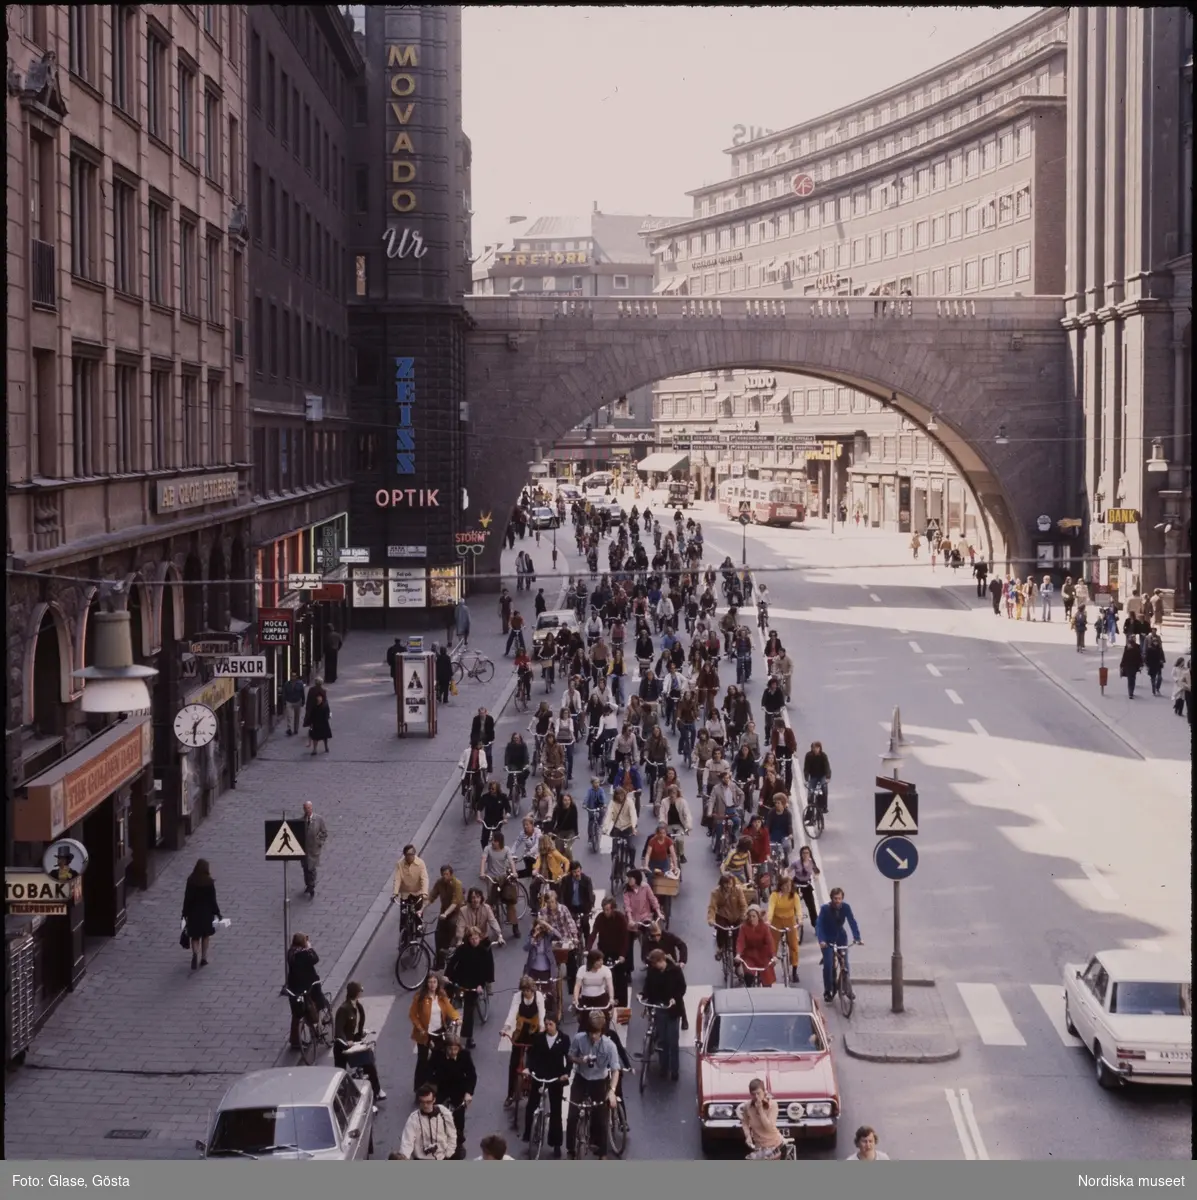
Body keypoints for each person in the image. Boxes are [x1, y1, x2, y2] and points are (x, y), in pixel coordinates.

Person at [566, 1011, 622, 1159]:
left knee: (602, 1119)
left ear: (602, 1032)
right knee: (572, 1115)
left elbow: (616, 1070)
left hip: (599, 1081)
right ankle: (570, 1149)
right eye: (590, 1033)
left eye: (596, 1033)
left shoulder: (610, 1046)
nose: (593, 1036)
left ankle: (603, 1152)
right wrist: (580, 1060)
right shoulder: (579, 1039)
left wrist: (612, 1091)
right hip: (581, 1078)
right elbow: (570, 1056)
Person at [524, 1012, 571, 1157]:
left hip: (556, 1077)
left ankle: (556, 1143)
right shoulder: (538, 1038)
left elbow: (568, 1058)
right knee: (532, 1105)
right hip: (539, 1074)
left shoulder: (564, 1039)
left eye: (551, 1024)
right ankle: (528, 1135)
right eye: (546, 1024)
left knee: (556, 1111)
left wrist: (566, 1073)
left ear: (556, 1025)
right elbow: (531, 1055)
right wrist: (528, 1068)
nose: (548, 1027)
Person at [333, 980, 386, 1098]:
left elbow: (357, 1025)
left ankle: (376, 1091)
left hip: (355, 1042)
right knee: (340, 1074)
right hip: (343, 1046)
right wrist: (346, 1041)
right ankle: (341, 1096)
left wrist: (362, 1033)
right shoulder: (344, 1009)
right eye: (359, 992)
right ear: (356, 993)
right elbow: (339, 1029)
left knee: (369, 1064)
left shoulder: (358, 1006)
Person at [640, 948, 686, 1081]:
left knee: (672, 1041)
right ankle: (663, 1067)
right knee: (662, 1040)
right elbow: (647, 986)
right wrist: (643, 994)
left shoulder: (675, 970)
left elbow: (682, 987)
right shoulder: (652, 971)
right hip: (659, 1006)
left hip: (672, 1009)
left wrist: (674, 998)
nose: (653, 967)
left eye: (655, 964)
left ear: (662, 961)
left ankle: (674, 1070)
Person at [427, 1033, 477, 1158]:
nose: (453, 1052)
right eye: (450, 1049)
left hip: (458, 1089)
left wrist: (468, 1093)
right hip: (441, 1088)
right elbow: (428, 1072)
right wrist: (432, 1090)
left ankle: (458, 1143)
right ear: (445, 1048)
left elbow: (471, 1075)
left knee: (459, 1116)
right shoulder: (437, 1055)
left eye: (456, 1049)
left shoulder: (465, 1055)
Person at [502, 976, 547, 1107]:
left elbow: (542, 1013)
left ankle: (536, 1091)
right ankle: (510, 1094)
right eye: (524, 991)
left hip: (534, 1029)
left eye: (528, 990)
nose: (526, 993)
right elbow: (512, 1013)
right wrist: (506, 1027)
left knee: (536, 1061)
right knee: (514, 1063)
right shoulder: (517, 997)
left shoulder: (538, 996)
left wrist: (542, 1027)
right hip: (521, 1030)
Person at [445, 926, 491, 1049]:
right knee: (447, 997)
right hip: (461, 979)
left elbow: (486, 970)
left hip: (475, 983)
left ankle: (469, 1038)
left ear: (479, 938)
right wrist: (446, 976)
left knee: (469, 1011)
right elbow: (453, 963)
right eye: (471, 939)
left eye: (476, 938)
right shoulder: (462, 949)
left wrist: (481, 984)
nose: (474, 941)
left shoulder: (483, 951)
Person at [816, 887, 862, 1003]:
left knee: (845, 962)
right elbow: (819, 925)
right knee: (828, 964)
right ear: (832, 899)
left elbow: (852, 921)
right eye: (835, 898)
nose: (838, 901)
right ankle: (828, 990)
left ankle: (847, 988)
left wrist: (857, 938)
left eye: (840, 898)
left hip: (840, 936)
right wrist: (822, 940)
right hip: (827, 938)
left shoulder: (846, 907)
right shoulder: (825, 909)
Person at [395, 1084, 457, 1160]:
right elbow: (407, 1142)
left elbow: (452, 1134)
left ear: (434, 1099)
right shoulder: (413, 1118)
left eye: (428, 1102)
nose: (425, 1105)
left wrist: (449, 1153)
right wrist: (404, 1158)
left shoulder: (444, 1113)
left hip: (442, 1158)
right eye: (422, 1102)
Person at [589, 896, 632, 1007]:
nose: (605, 912)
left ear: (613, 909)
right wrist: (587, 948)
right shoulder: (600, 918)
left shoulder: (621, 918)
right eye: (604, 909)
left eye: (607, 910)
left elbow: (625, 938)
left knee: (621, 979)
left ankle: (622, 1006)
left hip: (618, 952)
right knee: (602, 976)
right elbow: (593, 933)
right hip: (604, 951)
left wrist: (622, 955)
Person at [285, 933, 324, 1048]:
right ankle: (314, 1026)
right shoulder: (304, 954)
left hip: (294, 987)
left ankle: (295, 1040)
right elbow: (315, 959)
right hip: (307, 986)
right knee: (314, 1004)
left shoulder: (291, 952)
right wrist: (309, 947)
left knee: (296, 1013)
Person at [182, 858, 221, 971]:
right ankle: (203, 958)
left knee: (195, 936)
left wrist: (184, 913)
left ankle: (195, 953)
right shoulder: (209, 882)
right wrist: (217, 912)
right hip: (206, 913)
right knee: (205, 935)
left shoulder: (191, 880)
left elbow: (187, 898)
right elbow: (213, 900)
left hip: (193, 913)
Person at [766, 874, 802, 983]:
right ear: (780, 886)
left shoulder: (794, 896)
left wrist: (799, 919)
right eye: (785, 885)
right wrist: (768, 920)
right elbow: (771, 908)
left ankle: (794, 970)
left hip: (790, 921)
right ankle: (770, 970)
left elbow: (798, 909)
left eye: (789, 885)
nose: (787, 888)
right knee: (772, 945)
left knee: (794, 945)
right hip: (776, 921)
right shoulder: (774, 895)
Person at [427, 864, 465, 965]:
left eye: (446, 874)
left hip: (456, 912)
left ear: (451, 874)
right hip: (444, 911)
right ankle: (439, 960)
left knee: (452, 924)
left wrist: (446, 913)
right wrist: (421, 909)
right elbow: (432, 896)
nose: (445, 877)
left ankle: (452, 949)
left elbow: (455, 902)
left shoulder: (457, 884)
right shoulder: (440, 883)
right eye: (443, 874)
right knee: (438, 933)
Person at [741, 1078, 786, 1159]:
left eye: (758, 1093)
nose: (756, 1097)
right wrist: (748, 1135)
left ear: (764, 1091)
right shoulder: (747, 1106)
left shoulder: (772, 1105)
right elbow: (745, 1122)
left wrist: (760, 1110)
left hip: (774, 1144)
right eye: (753, 1094)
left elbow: (769, 1127)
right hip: (759, 1145)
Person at [707, 874, 749, 957]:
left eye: (730, 883)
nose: (728, 886)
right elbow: (712, 907)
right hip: (723, 916)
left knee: (738, 936)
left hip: (736, 917)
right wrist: (711, 919)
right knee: (721, 931)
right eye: (726, 884)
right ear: (722, 883)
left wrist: (744, 915)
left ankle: (737, 956)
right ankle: (720, 948)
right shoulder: (716, 893)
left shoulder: (738, 890)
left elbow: (743, 905)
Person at [735, 905, 776, 986]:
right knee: (748, 976)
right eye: (750, 916)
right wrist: (738, 954)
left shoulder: (764, 927)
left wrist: (773, 956)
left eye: (754, 916)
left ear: (758, 917)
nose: (751, 919)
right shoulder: (744, 927)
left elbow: (770, 942)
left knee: (767, 980)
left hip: (763, 955)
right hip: (749, 955)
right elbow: (740, 941)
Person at [558, 859, 595, 946]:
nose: (577, 874)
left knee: (585, 925)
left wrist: (591, 907)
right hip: (571, 907)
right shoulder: (566, 880)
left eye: (578, 871)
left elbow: (590, 895)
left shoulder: (586, 880)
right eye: (574, 872)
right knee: (570, 926)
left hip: (584, 907)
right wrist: (562, 908)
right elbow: (562, 895)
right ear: (571, 872)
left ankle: (587, 946)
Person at [299, 801, 328, 899]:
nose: (307, 810)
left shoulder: (319, 819)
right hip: (304, 850)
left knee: (312, 869)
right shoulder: (301, 820)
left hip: (314, 849)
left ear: (312, 808)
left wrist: (319, 842)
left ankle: (312, 887)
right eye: (305, 808)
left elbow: (324, 833)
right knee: (305, 868)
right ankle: (308, 885)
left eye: (309, 808)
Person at [789, 844, 821, 928]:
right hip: (796, 884)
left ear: (809, 854)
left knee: (811, 906)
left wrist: (816, 876)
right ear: (801, 854)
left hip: (806, 885)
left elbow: (817, 871)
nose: (805, 855)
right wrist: (785, 876)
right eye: (803, 853)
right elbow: (788, 870)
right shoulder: (796, 863)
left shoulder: (811, 863)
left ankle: (816, 925)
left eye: (807, 853)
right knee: (792, 903)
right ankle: (791, 922)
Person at [392, 844, 429, 914]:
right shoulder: (400, 864)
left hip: (417, 893)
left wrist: (424, 892)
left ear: (414, 854)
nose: (409, 857)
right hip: (405, 894)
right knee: (403, 915)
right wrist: (395, 893)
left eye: (411, 854)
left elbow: (424, 878)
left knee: (418, 915)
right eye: (407, 855)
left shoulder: (420, 863)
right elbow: (397, 879)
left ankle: (419, 924)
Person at [304, 681, 331, 755]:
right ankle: (314, 749)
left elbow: (328, 711)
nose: (319, 699)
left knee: (325, 736)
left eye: (320, 698)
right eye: (318, 698)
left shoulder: (325, 705)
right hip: (316, 722)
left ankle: (326, 747)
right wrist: (311, 723)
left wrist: (328, 717)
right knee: (315, 736)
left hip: (323, 721)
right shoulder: (314, 706)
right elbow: (312, 714)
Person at [803, 741, 831, 812]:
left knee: (824, 788)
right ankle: (809, 811)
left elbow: (827, 767)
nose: (815, 749)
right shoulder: (808, 756)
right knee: (810, 793)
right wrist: (806, 779)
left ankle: (824, 807)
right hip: (813, 776)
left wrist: (827, 777)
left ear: (820, 748)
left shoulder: (823, 756)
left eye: (817, 748)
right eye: (814, 748)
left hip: (822, 776)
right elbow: (806, 768)